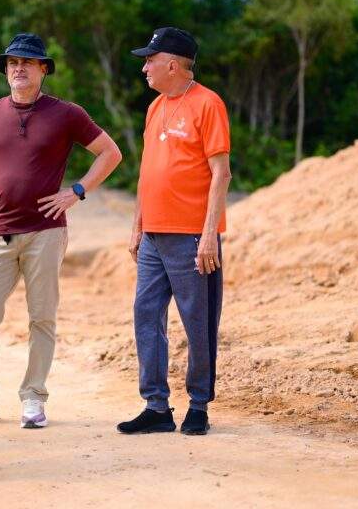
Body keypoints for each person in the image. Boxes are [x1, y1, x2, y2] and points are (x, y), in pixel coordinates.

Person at [0, 33, 122, 429]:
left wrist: (77, 191)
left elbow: (110, 153)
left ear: (44, 69)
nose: (18, 69)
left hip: (46, 231)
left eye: (27, 62)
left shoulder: (67, 114)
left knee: (41, 317)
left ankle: (33, 398)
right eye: (12, 63)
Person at [117, 27, 231, 436]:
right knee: (145, 314)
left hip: (190, 237)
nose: (144, 66)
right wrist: (137, 227)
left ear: (172, 63)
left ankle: (198, 405)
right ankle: (156, 406)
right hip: (153, 236)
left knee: (197, 321)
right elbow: (148, 172)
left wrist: (208, 235)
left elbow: (221, 173)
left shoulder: (208, 104)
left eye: (149, 59)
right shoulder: (154, 108)